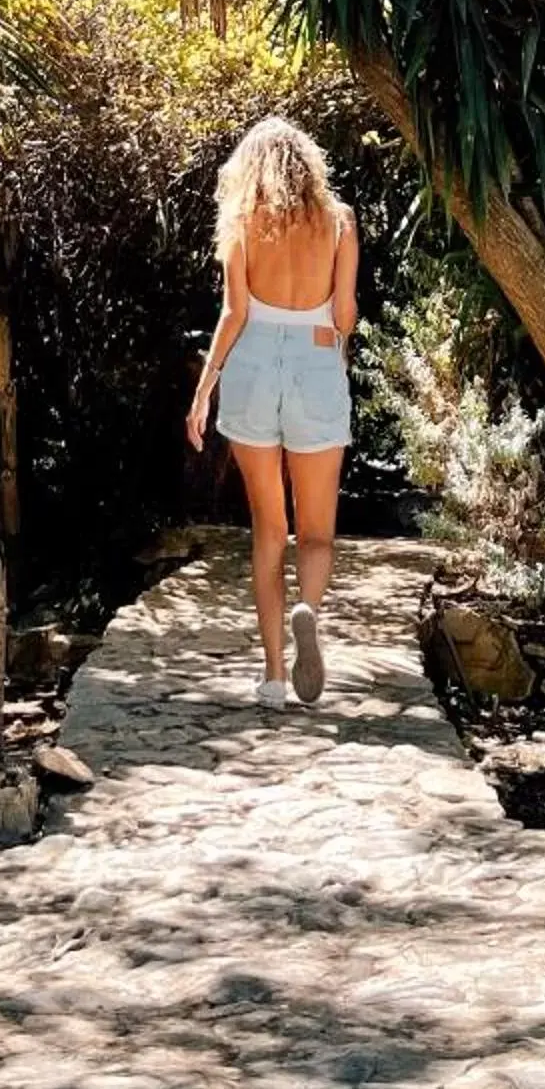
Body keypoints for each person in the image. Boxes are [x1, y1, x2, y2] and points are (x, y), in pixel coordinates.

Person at [186, 116, 357, 708]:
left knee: (269, 531)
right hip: (314, 364)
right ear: (308, 165)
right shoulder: (339, 221)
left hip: (253, 365)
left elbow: (233, 313)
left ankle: (275, 678)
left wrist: (204, 389)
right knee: (316, 533)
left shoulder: (239, 222)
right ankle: (308, 607)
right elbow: (343, 318)